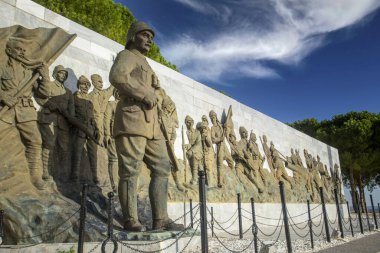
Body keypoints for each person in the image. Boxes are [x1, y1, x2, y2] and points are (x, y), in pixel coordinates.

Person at [109, 21, 183, 231]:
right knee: (130, 170)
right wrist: (144, 93)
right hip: (132, 119)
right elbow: (117, 77)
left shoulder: (146, 63)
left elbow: (154, 95)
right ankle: (130, 219)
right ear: (133, 37)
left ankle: (161, 219)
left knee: (162, 167)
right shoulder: (127, 56)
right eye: (145, 35)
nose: (150, 39)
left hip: (152, 125)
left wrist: (156, 91)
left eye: (151, 37)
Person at [0, 37, 48, 190]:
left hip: (26, 112)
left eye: (23, 50)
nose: (21, 52)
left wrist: (45, 76)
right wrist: (3, 96)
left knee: (35, 141)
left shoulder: (29, 72)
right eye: (18, 49)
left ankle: (35, 176)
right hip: (6, 112)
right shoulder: (2, 67)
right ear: (9, 50)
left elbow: (43, 95)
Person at [36, 65, 74, 181]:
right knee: (49, 145)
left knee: (64, 148)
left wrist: (71, 120)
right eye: (61, 73)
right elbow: (39, 97)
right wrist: (48, 104)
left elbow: (71, 109)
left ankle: (61, 173)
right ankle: (46, 171)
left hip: (63, 123)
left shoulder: (68, 92)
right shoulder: (49, 85)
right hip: (49, 118)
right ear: (56, 73)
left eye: (64, 74)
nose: (63, 75)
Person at [70, 75, 98, 184]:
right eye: (83, 84)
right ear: (79, 85)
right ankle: (75, 176)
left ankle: (95, 176)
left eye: (87, 85)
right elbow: (72, 115)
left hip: (91, 129)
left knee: (93, 153)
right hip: (80, 129)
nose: (85, 87)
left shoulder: (90, 100)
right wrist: (78, 125)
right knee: (77, 152)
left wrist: (96, 129)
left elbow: (93, 116)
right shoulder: (74, 97)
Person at [209, 110, 234, 187]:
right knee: (219, 164)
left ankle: (233, 178)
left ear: (216, 117)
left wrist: (225, 127)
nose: (213, 119)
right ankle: (220, 182)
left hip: (225, 146)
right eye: (211, 117)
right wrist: (219, 139)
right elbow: (212, 140)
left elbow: (227, 129)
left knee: (231, 162)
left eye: (213, 117)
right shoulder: (212, 128)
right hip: (219, 146)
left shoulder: (221, 125)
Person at [104, 89, 120, 192]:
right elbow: (107, 119)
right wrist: (107, 134)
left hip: (126, 138)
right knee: (114, 159)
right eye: (117, 92)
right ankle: (115, 185)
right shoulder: (111, 104)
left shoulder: (127, 105)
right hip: (114, 135)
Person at [184, 115, 203, 185]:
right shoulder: (187, 132)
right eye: (187, 122)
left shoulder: (197, 132)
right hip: (192, 150)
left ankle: (195, 178)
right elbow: (190, 143)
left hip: (198, 150)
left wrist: (191, 149)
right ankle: (198, 177)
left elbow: (198, 143)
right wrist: (187, 146)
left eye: (190, 122)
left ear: (193, 122)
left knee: (195, 158)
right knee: (199, 165)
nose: (189, 124)